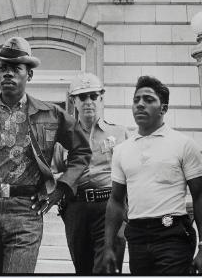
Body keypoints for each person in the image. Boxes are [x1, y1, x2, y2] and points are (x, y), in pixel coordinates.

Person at [0, 36, 92, 273]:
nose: (8, 74)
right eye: (3, 68)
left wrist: (60, 189)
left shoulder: (51, 114)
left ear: (29, 75)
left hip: (27, 211)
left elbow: (82, 150)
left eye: (16, 69)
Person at [102, 75, 202, 274]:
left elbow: (201, 196)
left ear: (164, 108)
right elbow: (116, 201)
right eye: (136, 100)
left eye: (149, 100)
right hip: (137, 237)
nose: (140, 105)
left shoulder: (183, 144)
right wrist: (108, 246)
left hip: (172, 235)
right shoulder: (122, 150)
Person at [54, 73, 128, 273]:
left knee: (106, 268)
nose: (88, 102)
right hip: (76, 209)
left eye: (93, 96)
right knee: (83, 268)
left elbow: (132, 173)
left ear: (102, 98)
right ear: (73, 101)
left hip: (109, 207)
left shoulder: (119, 134)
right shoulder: (63, 138)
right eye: (82, 97)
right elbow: (55, 171)